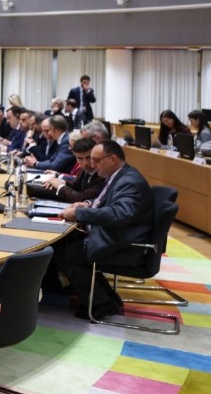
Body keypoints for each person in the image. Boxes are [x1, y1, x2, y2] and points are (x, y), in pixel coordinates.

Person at [53, 140, 153, 319]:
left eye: (96, 160)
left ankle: (101, 304)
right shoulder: (120, 175)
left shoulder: (129, 181)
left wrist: (79, 214)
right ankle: (105, 298)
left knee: (67, 252)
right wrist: (88, 204)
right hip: (116, 235)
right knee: (65, 242)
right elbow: (108, 203)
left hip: (124, 244)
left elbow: (120, 213)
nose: (92, 165)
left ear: (113, 159)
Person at [33, 136, 105, 203]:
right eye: (80, 158)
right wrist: (59, 182)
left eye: (88, 157)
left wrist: (60, 186)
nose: (85, 163)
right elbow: (76, 185)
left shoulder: (103, 174)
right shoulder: (82, 169)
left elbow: (82, 198)